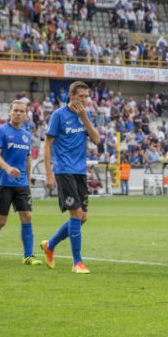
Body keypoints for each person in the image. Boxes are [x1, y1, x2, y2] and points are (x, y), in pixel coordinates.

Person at [40, 82, 100, 274]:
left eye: (86, 97)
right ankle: (78, 262)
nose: (84, 100)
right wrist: (49, 173)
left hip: (80, 171)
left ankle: (50, 245)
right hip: (64, 170)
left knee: (83, 217)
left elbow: (97, 140)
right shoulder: (58, 115)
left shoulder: (84, 115)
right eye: (80, 96)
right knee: (75, 214)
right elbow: (48, 145)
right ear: (71, 96)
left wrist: (84, 117)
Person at [0, 100, 41, 266]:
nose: (18, 113)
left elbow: (28, 159)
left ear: (26, 115)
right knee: (0, 221)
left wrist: (28, 181)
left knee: (27, 216)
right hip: (4, 182)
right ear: (10, 113)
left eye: (21, 111)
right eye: (15, 111)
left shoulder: (27, 135)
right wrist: (8, 168)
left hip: (21, 184)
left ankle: (28, 255)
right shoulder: (1, 131)